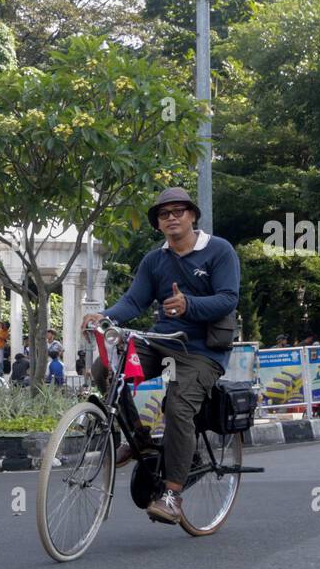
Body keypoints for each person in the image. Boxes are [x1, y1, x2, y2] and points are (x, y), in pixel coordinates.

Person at [82, 186, 241, 525]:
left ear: (192, 215)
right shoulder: (155, 260)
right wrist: (105, 316)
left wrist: (190, 305)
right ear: (157, 224)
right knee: (105, 368)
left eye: (178, 211)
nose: (171, 217)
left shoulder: (219, 251)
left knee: (177, 406)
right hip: (162, 342)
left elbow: (228, 298)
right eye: (164, 214)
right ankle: (139, 439)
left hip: (202, 350)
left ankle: (172, 495)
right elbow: (134, 301)